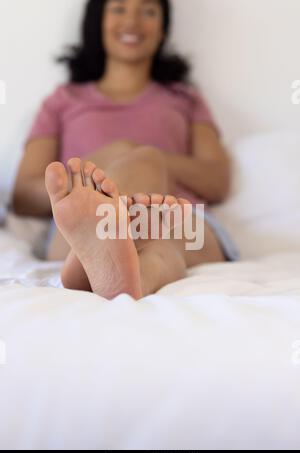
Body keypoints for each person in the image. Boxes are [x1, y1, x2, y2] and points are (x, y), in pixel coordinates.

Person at [12, 0, 239, 300]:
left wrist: (146, 158)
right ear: (98, 22)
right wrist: (95, 170)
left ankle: (109, 267)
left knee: (157, 229)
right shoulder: (63, 100)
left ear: (162, 29)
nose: (132, 21)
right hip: (75, 233)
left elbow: (217, 180)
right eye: (119, 8)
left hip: (178, 219)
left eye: (148, 11)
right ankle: (112, 257)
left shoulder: (185, 99)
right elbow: (23, 196)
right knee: (154, 243)